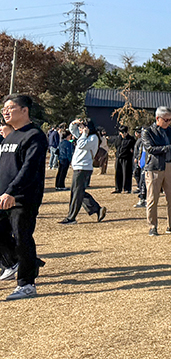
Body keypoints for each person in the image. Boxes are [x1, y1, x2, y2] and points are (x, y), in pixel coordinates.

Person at [1, 95, 48, 301]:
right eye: (3, 108)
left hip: (22, 197)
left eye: (10, 107)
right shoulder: (10, 136)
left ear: (24, 110)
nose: (5, 111)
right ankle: (17, 262)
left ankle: (27, 284)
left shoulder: (34, 136)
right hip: (3, 196)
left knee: (22, 238)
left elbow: (29, 169)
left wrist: (12, 191)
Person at [140, 107, 171, 236]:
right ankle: (152, 226)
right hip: (154, 168)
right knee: (152, 199)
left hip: (170, 167)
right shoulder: (148, 132)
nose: (168, 122)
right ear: (157, 118)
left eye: (170, 120)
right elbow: (151, 149)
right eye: (166, 120)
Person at [59, 117, 106, 224]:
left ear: (88, 128)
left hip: (83, 168)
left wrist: (84, 134)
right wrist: (74, 123)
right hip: (79, 168)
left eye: (82, 127)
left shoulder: (93, 138)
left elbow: (81, 145)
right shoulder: (83, 137)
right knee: (78, 192)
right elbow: (72, 129)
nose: (79, 129)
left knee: (76, 193)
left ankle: (71, 217)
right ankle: (97, 209)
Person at [113, 127, 136, 193]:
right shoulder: (118, 138)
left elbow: (132, 149)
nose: (122, 134)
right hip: (118, 158)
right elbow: (116, 146)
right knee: (118, 173)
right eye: (121, 133)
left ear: (126, 132)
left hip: (126, 158)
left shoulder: (131, 139)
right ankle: (118, 188)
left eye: (123, 133)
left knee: (126, 173)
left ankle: (127, 188)